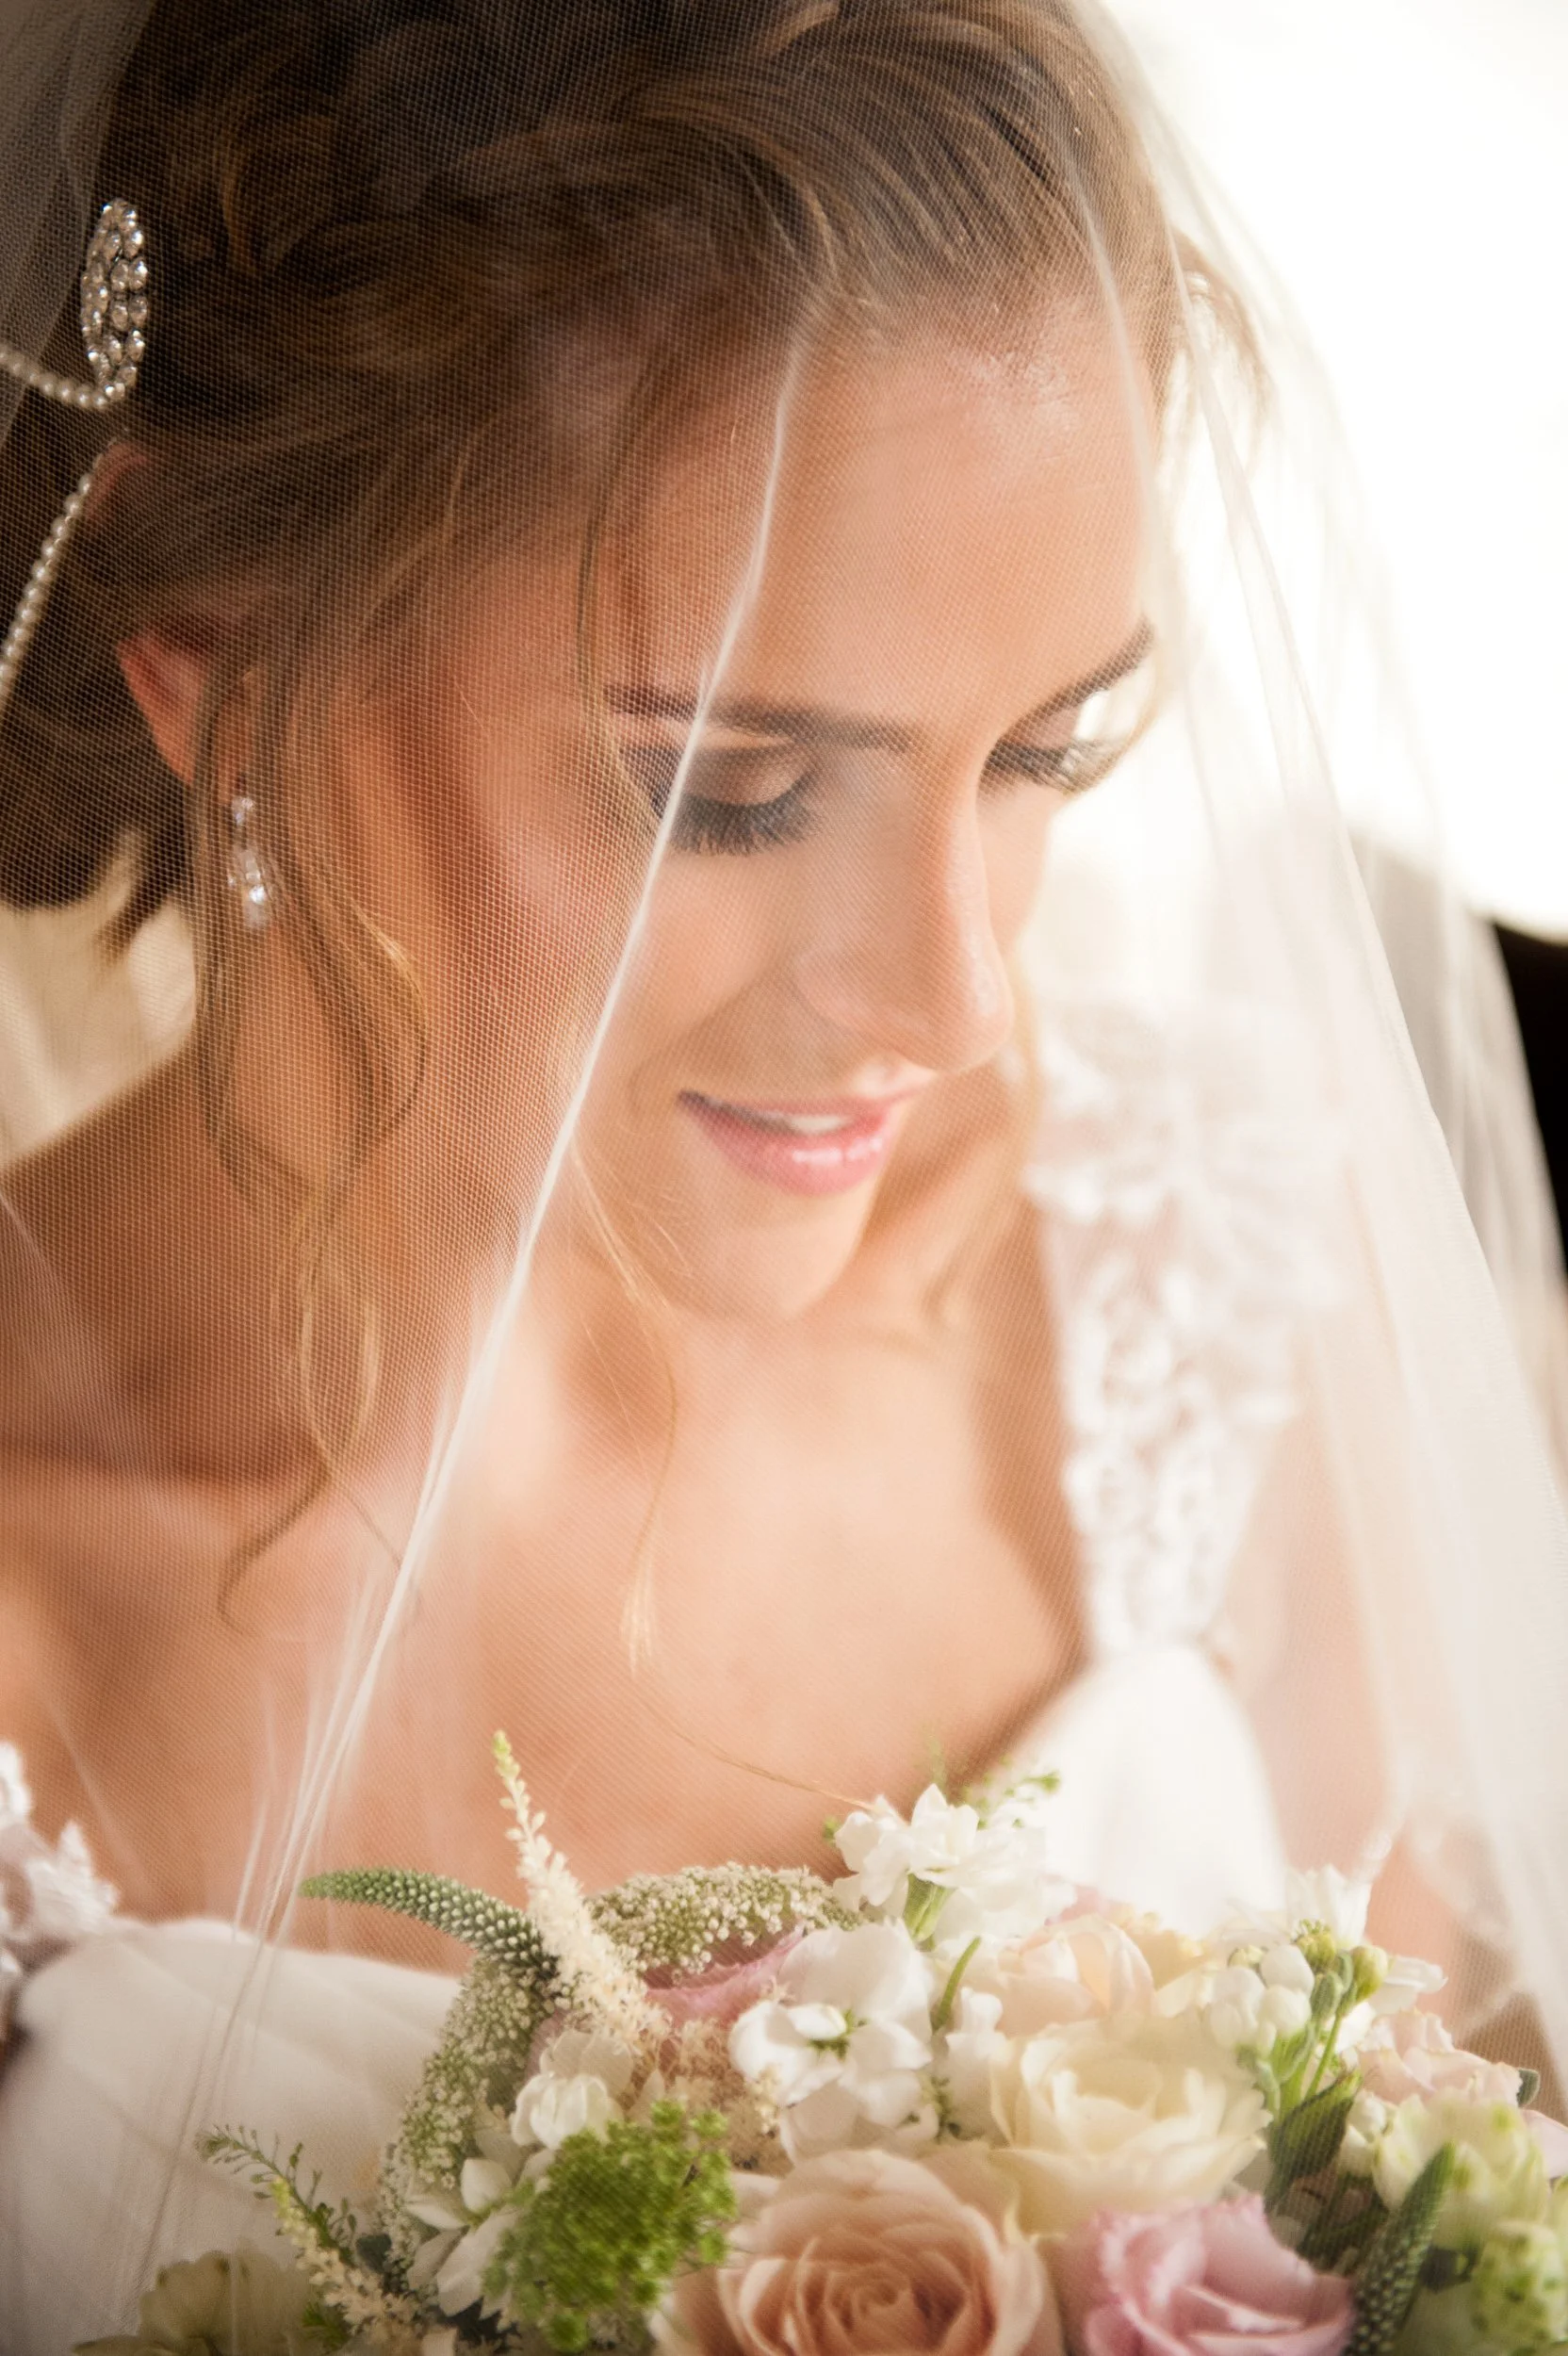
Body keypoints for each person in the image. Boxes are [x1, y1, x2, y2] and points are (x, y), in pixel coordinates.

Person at [0, 2, 1565, 2346]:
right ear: (209, 660)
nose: (950, 1001)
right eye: (730, 785)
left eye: (1047, 748)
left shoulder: (1221, 1295)